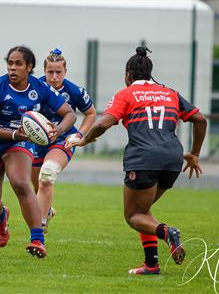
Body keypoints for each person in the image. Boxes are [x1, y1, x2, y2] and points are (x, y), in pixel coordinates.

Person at [66, 46, 207, 274]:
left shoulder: (127, 93)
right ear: (150, 74)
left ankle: (167, 232)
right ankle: (151, 265)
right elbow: (200, 120)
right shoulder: (169, 93)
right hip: (172, 161)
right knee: (144, 210)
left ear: (128, 74)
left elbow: (104, 123)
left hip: (143, 159)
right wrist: (195, 153)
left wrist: (84, 140)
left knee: (134, 215)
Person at [0, 45, 76, 258]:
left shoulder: (40, 88)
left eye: (18, 63)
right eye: (10, 63)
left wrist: (59, 130)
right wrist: (13, 134)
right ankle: (1, 217)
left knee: (21, 183)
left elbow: (70, 114)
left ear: (29, 67)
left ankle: (38, 239)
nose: (12, 68)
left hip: (20, 143)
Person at [31, 48, 96, 233]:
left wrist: (79, 135)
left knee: (48, 174)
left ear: (65, 72)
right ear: (44, 71)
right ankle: (47, 211)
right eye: (50, 72)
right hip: (35, 141)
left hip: (62, 140)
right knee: (38, 186)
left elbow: (91, 114)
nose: (54, 76)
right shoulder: (34, 87)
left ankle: (40, 226)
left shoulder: (74, 91)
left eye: (58, 72)